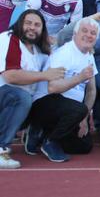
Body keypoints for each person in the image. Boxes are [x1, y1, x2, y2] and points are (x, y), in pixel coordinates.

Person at [27, 18, 99, 162]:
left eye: (93, 33)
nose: (89, 35)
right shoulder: (64, 53)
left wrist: (83, 118)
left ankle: (43, 133)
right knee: (78, 110)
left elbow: (91, 90)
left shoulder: (89, 56)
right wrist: (79, 78)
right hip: (46, 103)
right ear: (75, 34)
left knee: (85, 146)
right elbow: (53, 87)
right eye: (84, 31)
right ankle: (50, 141)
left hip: (70, 111)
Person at [0, 10, 57, 168]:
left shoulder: (38, 51)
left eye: (37, 25)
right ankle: (1, 148)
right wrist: (45, 75)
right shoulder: (10, 39)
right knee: (21, 97)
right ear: (20, 24)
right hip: (6, 96)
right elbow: (10, 76)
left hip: (16, 104)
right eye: (28, 23)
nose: (32, 28)